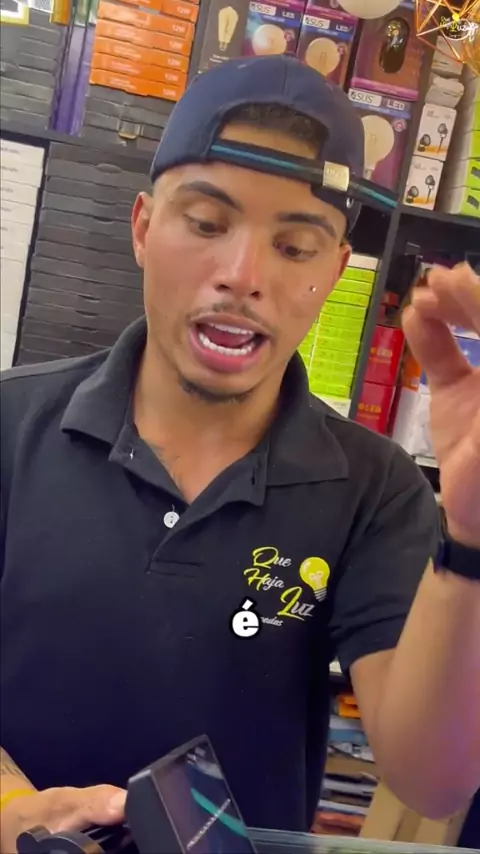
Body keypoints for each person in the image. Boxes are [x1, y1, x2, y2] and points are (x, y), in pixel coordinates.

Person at [0, 55, 479, 853]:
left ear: (335, 271)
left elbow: (433, 780)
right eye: (207, 223)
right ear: (144, 227)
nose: (242, 275)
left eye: (295, 246)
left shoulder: (375, 489)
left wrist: (470, 535)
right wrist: (14, 807)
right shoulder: (11, 425)